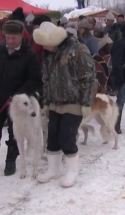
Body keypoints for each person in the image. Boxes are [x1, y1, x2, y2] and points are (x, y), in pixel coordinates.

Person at [0, 20, 42, 176]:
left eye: (13, 38)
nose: (10, 41)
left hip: (18, 102)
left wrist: (19, 94)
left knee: (15, 131)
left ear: (21, 36)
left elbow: (35, 80)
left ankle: (10, 160)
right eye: (7, 37)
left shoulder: (29, 54)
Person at [32, 22, 96, 187]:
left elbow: (89, 77)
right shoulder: (49, 53)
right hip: (54, 102)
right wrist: (45, 103)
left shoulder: (78, 50)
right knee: (52, 136)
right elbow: (46, 79)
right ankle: (53, 170)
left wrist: (87, 102)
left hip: (74, 101)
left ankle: (72, 171)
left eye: (47, 43)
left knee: (67, 137)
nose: (44, 47)